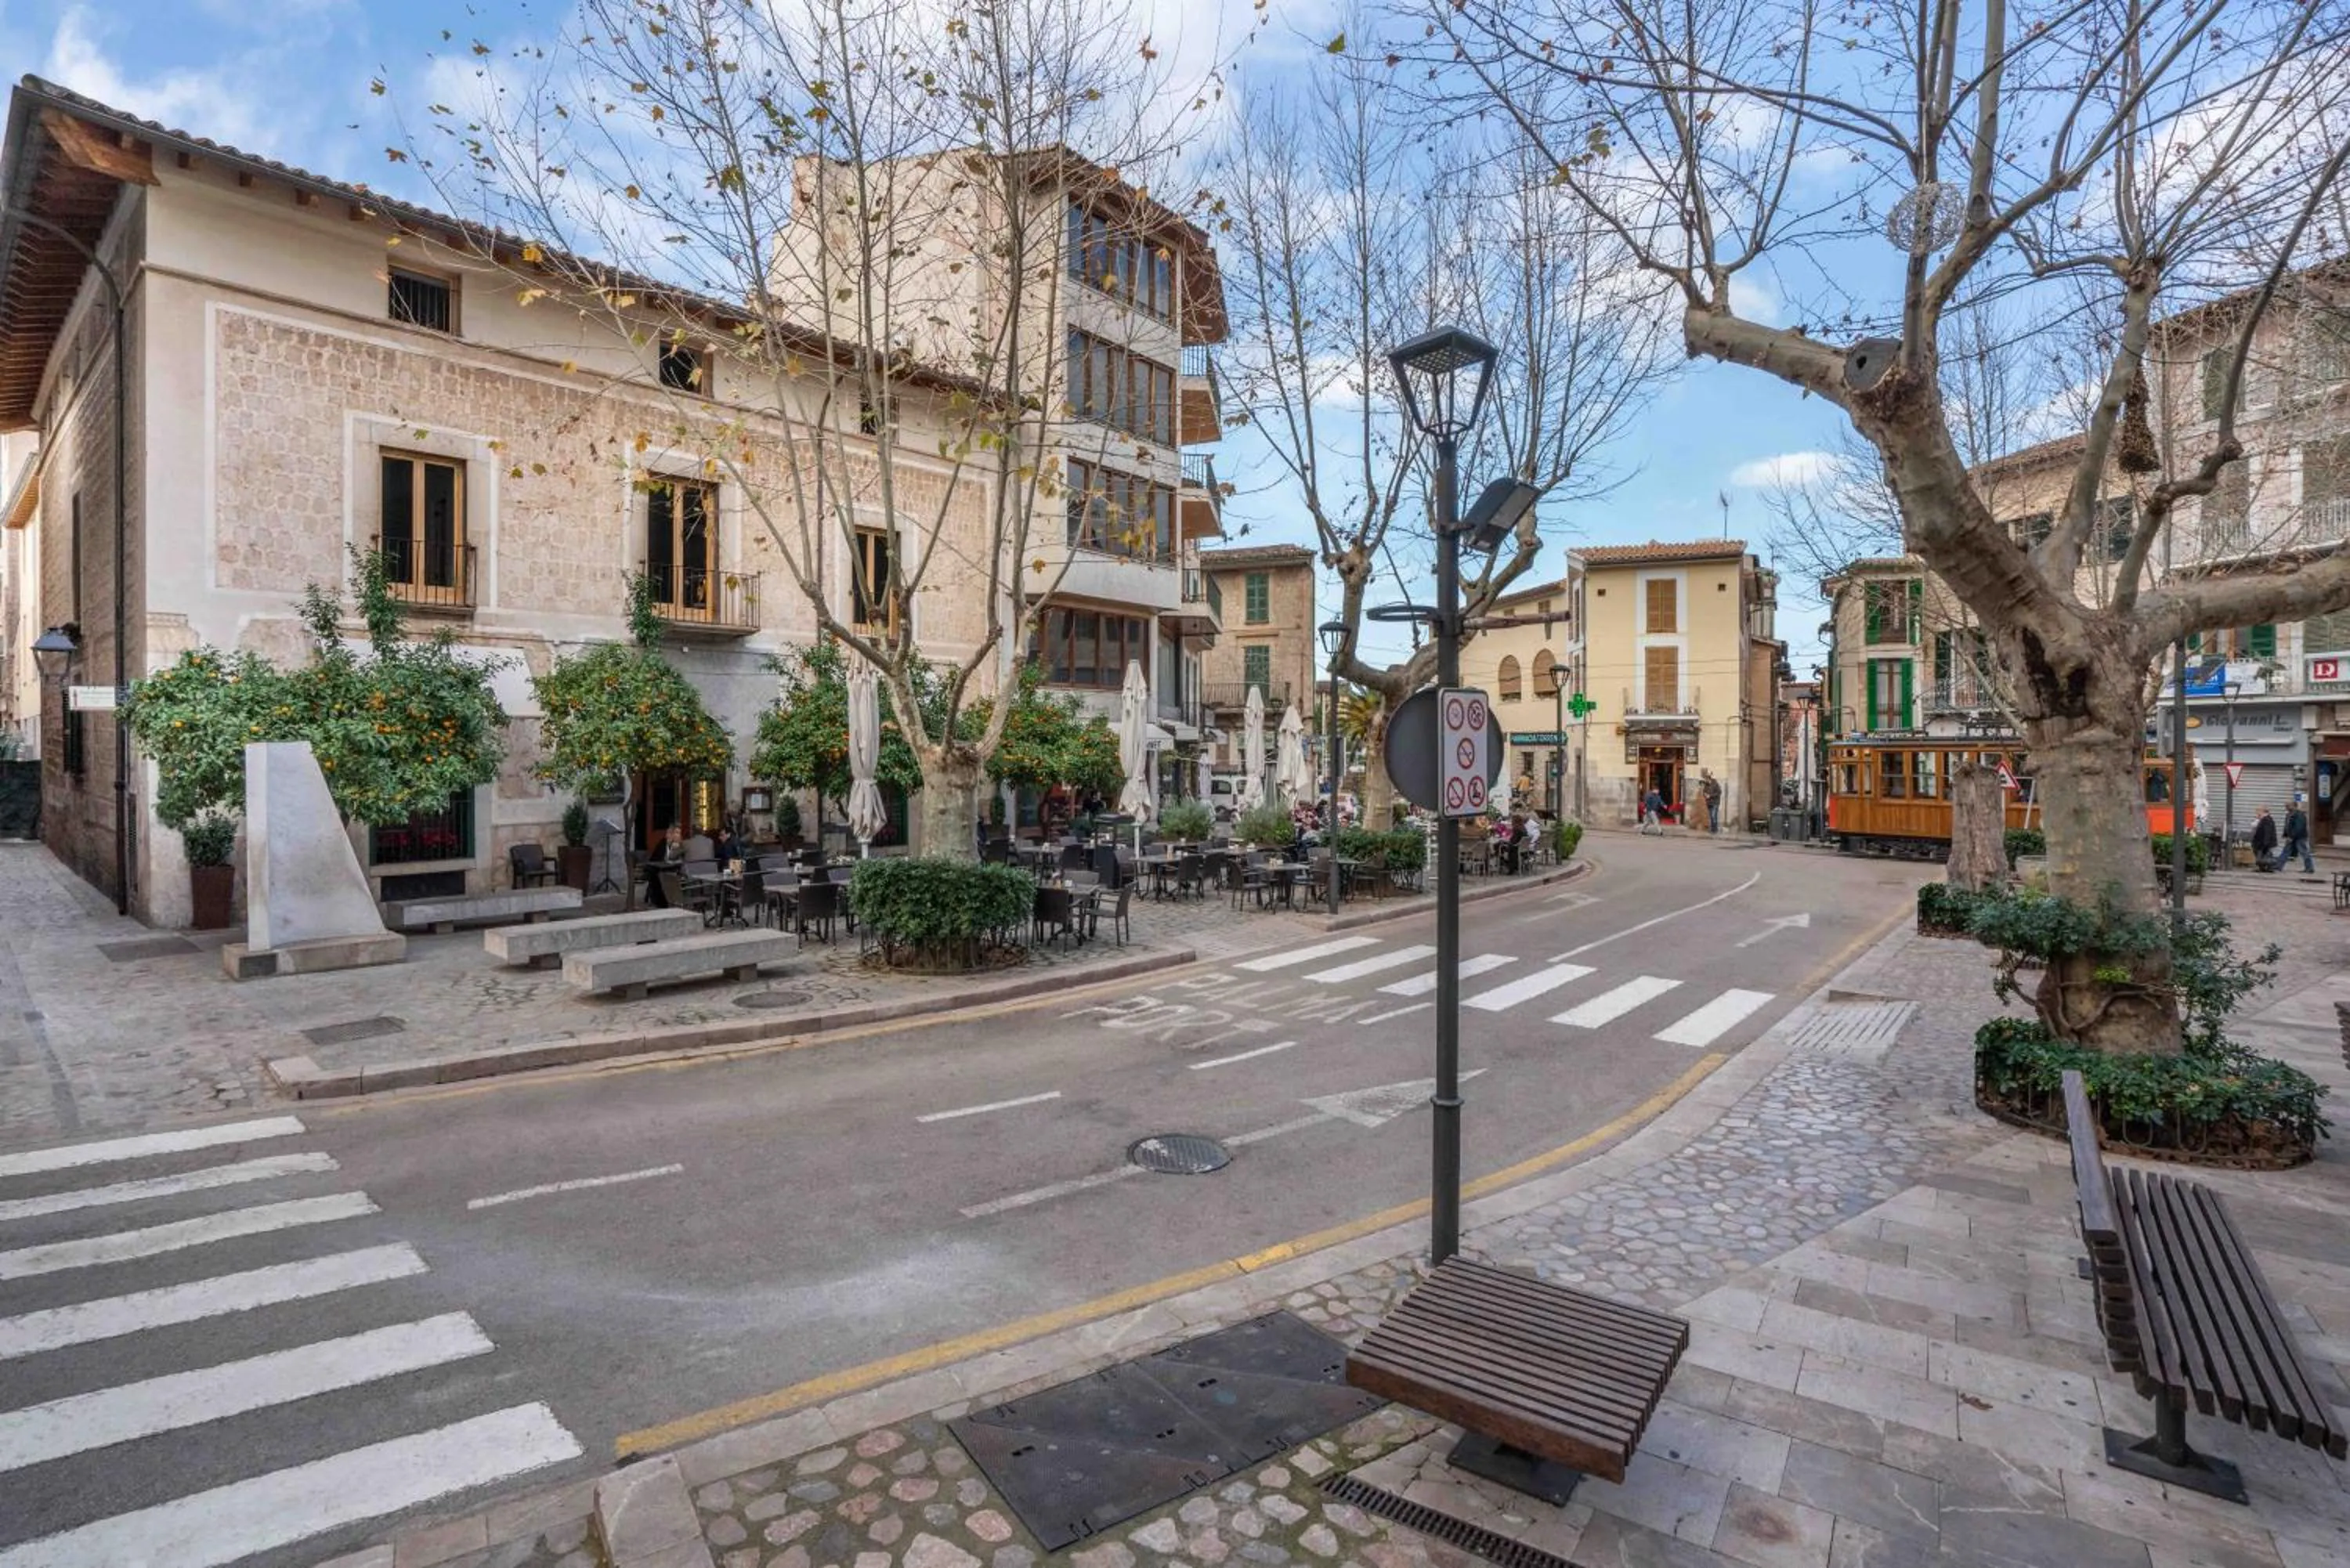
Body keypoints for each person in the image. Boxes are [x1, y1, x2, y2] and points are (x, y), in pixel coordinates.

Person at [2286, 796, 2315, 874]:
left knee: (2304, 852)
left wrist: (2292, 837)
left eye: (2288, 806)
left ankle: (2310, 868)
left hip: (2300, 837)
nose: (2286, 807)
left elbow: (2299, 828)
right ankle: (2278, 866)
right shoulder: (2291, 814)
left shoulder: (2299, 815)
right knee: (2287, 851)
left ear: (2294, 806)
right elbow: (2289, 826)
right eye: (2286, 806)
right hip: (2295, 837)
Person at [2251, 806, 2280, 872]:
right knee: (2262, 857)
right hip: (2262, 843)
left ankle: (2272, 865)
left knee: (2262, 858)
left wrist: (2265, 844)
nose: (2256, 813)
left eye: (2257, 812)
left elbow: (2267, 833)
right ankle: (2263, 868)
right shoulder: (2264, 819)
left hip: (2263, 843)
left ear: (2262, 812)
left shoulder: (2267, 820)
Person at [1702, 771, 1723, 836]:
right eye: (1705, 780)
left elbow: (1719, 792)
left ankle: (1714, 830)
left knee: (1714, 816)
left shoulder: (1715, 784)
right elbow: (1704, 791)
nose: (1705, 781)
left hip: (1715, 802)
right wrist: (1705, 795)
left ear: (1709, 779)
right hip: (1709, 803)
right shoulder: (1706, 785)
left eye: (1706, 780)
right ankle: (1713, 829)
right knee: (1711, 816)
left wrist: (1710, 796)